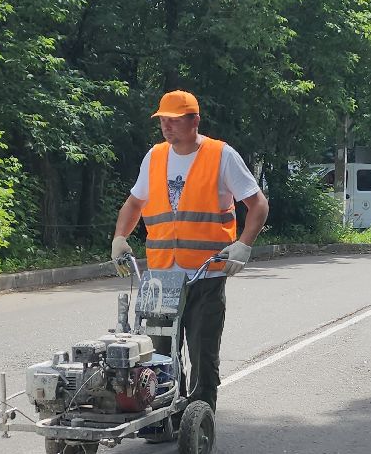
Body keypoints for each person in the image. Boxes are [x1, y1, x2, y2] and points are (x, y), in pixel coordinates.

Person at [111, 90, 268, 413]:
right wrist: (119, 237)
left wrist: (244, 244)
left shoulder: (221, 155)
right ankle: (163, 419)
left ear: (194, 120)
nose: (166, 126)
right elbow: (134, 203)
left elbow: (258, 204)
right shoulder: (154, 157)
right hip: (161, 278)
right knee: (156, 358)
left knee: (203, 356)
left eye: (174, 120)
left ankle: (200, 421)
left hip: (205, 275)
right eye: (162, 120)